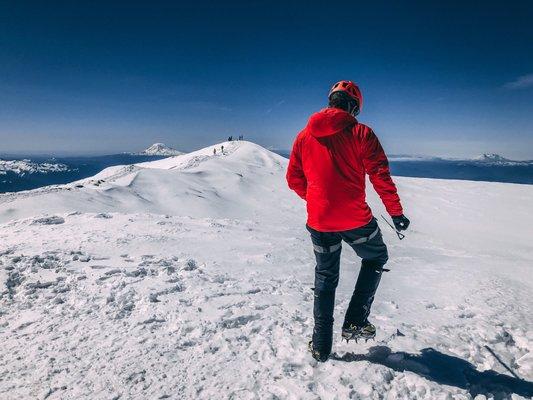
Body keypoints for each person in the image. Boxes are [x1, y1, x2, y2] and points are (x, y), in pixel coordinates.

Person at [286, 80, 410, 362]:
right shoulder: (361, 132)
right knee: (376, 256)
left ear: (331, 101)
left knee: (325, 277)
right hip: (355, 219)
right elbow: (380, 175)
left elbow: (293, 179)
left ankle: (321, 347)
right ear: (353, 107)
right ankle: (355, 321)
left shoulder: (303, 136)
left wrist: (318, 201)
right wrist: (396, 214)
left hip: (319, 221)